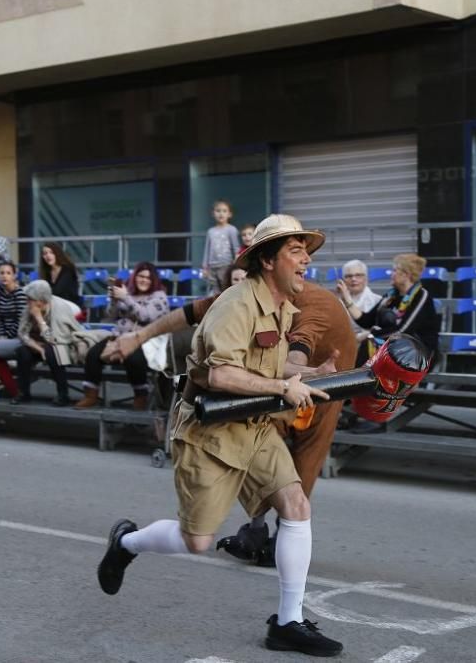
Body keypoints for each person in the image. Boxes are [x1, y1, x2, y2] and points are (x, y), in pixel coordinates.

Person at [97, 214, 344, 657]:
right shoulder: (235, 303)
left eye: (307, 250)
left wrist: (308, 372)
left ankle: (287, 623)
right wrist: (281, 387)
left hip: (255, 425)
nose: (307, 258)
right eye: (295, 250)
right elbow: (222, 372)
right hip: (210, 431)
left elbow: (270, 365)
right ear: (268, 261)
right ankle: (126, 542)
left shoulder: (284, 305)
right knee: (197, 541)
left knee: (296, 504)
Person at [103, 278, 353, 566]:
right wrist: (138, 337)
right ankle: (257, 529)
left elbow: (298, 349)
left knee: (299, 486)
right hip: (276, 387)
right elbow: (189, 313)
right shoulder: (246, 297)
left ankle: (287, 591)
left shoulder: (311, 303)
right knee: (198, 539)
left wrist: (299, 376)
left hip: (320, 389)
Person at [75, 262, 169, 410]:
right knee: (93, 354)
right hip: (119, 337)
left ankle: (140, 396)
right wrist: (114, 300)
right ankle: (90, 395)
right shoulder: (128, 293)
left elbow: (145, 316)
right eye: (140, 276)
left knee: (134, 358)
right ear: (135, 277)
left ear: (153, 281)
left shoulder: (159, 296)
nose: (144, 280)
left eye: (148, 278)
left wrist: (125, 298)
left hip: (145, 340)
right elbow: (111, 316)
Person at [338, 252, 440, 367]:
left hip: (419, 352)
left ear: (406, 275)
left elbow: (403, 331)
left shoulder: (421, 296)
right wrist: (347, 299)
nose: (391, 274)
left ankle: (357, 379)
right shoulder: (391, 296)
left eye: (395, 270)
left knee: (369, 342)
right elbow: (366, 321)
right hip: (395, 347)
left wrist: (371, 334)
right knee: (367, 344)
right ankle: (357, 378)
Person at [12, 279, 82, 406]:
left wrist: (39, 319)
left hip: (64, 345)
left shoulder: (60, 309)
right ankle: (23, 393)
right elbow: (22, 334)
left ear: (41, 301)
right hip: (40, 345)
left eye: (30, 299)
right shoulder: (30, 307)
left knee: (53, 352)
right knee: (22, 352)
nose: (27, 302)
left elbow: (55, 340)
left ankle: (63, 394)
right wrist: (39, 348)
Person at [0, 261, 28, 400]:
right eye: (2, 273)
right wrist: (0, 335)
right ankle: (13, 390)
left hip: (19, 338)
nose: (4, 276)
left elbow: (20, 321)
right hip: (4, 338)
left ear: (15, 276)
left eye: (8, 273)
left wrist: (7, 336)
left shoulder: (20, 294)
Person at [339, 259, 383, 345]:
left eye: (358, 275)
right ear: (343, 280)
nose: (353, 279)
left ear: (366, 278)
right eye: (348, 276)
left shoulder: (377, 301)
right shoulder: (337, 303)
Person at [201, 199, 240, 294]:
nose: (221, 214)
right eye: (218, 211)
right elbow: (207, 249)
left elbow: (236, 248)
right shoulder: (211, 231)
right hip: (212, 266)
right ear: (213, 213)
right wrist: (205, 267)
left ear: (229, 214)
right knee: (215, 291)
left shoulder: (231, 229)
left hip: (225, 265)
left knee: (225, 289)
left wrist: (236, 263)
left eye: (224, 211)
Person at [38, 242, 81, 310]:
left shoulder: (68, 269)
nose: (48, 256)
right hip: (53, 304)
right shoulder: (46, 272)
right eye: (45, 253)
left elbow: (58, 291)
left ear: (57, 253)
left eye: (51, 252)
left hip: (70, 305)